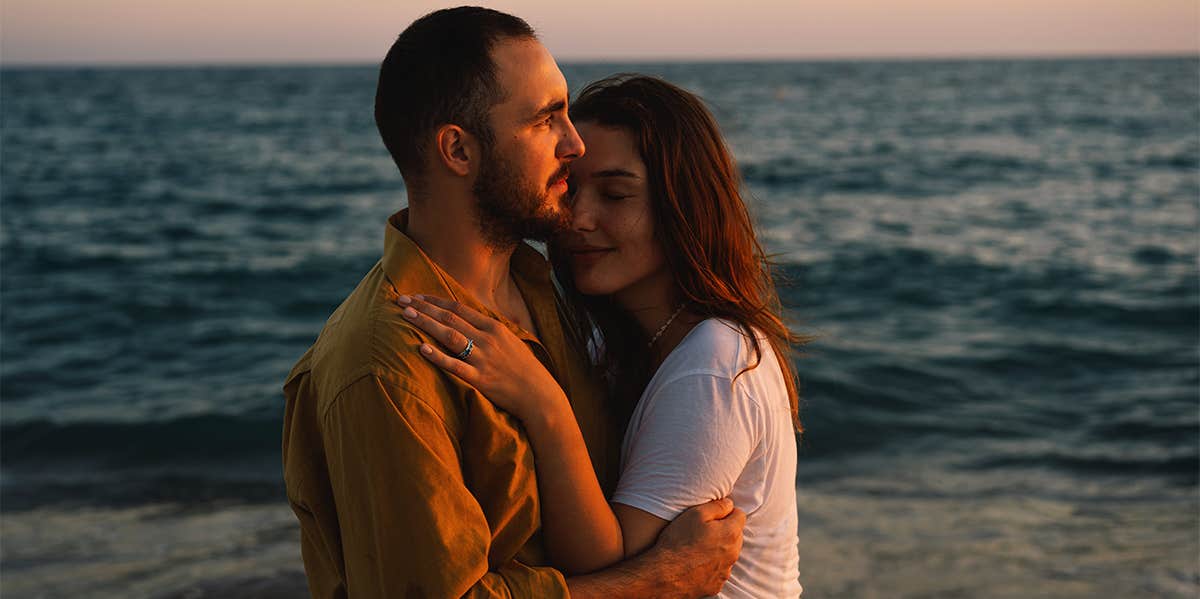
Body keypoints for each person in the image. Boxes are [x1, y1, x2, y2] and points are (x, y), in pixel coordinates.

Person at [281, 8, 747, 599]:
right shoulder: (386, 366)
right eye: (546, 119)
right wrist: (657, 579)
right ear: (458, 150)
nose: (574, 144)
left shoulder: (547, 288)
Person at [397, 74, 806, 597]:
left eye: (615, 194)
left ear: (683, 206)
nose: (578, 219)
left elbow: (603, 562)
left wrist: (541, 401)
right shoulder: (613, 343)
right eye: (569, 189)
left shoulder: (717, 362)